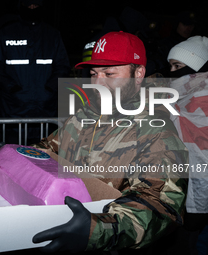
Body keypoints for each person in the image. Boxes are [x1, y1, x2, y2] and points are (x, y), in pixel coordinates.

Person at [32, 31, 188, 254]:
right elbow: (48, 150)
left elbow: (160, 205)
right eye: (94, 73)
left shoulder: (156, 132)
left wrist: (99, 229)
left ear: (138, 74)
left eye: (109, 73)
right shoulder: (83, 116)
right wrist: (18, 155)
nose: (98, 82)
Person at [0, 0, 70, 145]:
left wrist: (49, 89)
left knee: (43, 158)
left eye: (36, 6)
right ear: (21, 7)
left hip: (45, 110)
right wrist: (12, 88)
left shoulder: (52, 35)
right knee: (13, 156)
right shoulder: (7, 33)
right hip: (14, 109)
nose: (32, 8)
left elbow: (62, 66)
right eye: (29, 5)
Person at [167, 35, 208, 254]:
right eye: (171, 66)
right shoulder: (182, 97)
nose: (172, 72)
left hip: (199, 188)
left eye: (178, 66)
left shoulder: (197, 100)